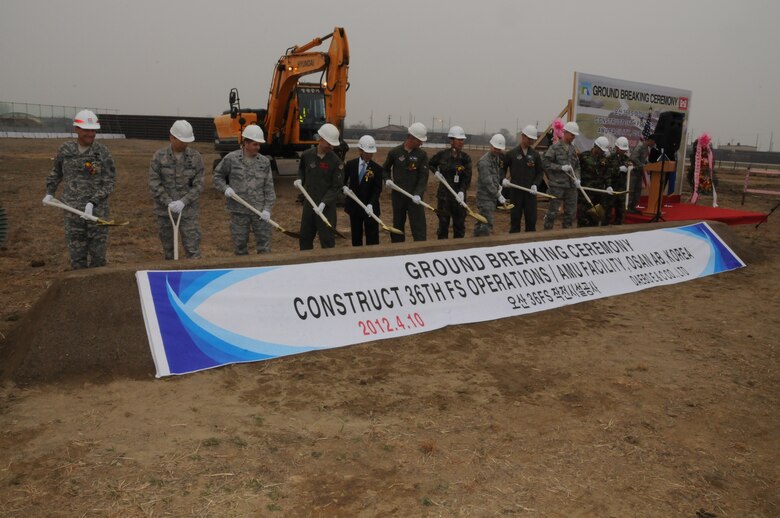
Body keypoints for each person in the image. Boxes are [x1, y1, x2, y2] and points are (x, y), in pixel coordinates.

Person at [43, 109, 116, 269]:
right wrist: (49, 192)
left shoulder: (102, 153)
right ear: (77, 129)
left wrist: (93, 202)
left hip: (97, 215)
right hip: (72, 213)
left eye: (93, 131)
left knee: (98, 261)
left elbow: (109, 182)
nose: (91, 134)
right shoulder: (65, 150)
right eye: (86, 130)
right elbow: (56, 173)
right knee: (77, 260)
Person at [213, 124, 276, 255]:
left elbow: (269, 188)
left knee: (265, 248)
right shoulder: (231, 159)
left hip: (260, 213)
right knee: (240, 247)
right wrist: (225, 189)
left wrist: (267, 209)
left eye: (259, 145)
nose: (258, 148)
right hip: (238, 212)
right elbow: (217, 176)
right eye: (255, 144)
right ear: (245, 143)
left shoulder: (264, 162)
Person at [148, 120, 204, 259]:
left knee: (193, 250)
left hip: (188, 212)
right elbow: (154, 183)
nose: (185, 144)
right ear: (172, 137)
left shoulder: (195, 158)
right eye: (181, 140)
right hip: (165, 212)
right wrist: (168, 202)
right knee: (169, 252)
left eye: (187, 141)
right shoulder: (159, 157)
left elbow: (199, 185)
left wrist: (184, 202)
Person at [296, 123, 344, 250]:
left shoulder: (336, 161)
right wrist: (299, 180)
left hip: (326, 209)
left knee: (327, 240)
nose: (331, 147)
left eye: (332, 144)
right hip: (309, 205)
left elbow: (336, 186)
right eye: (328, 143)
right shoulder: (307, 155)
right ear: (321, 139)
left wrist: (324, 203)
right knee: (305, 238)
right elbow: (301, 170)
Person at [383, 122, 429, 242]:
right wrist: (387, 179)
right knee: (398, 224)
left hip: (415, 197)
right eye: (419, 140)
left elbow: (423, 177)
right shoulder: (395, 152)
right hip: (398, 195)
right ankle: (398, 250)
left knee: (419, 226)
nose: (421, 143)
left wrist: (418, 193)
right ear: (411, 138)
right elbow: (385, 169)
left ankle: (420, 250)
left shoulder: (422, 155)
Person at [429, 126, 472, 239]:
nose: (461, 142)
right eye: (459, 140)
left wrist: (462, 191)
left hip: (459, 198)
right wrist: (436, 172)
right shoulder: (442, 155)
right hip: (444, 198)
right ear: (451, 140)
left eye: (462, 140)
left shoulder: (465, 158)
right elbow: (430, 163)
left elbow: (467, 177)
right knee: (443, 227)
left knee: (459, 227)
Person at [344, 135, 383, 246]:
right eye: (367, 152)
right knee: (356, 237)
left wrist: (371, 204)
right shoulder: (351, 165)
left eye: (371, 153)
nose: (369, 155)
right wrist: (344, 188)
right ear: (360, 150)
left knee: (372, 237)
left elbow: (377, 189)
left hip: (370, 209)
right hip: (354, 207)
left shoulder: (377, 169)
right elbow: (343, 181)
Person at [504, 125, 544, 232]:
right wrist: (503, 180)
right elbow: (501, 169)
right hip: (515, 192)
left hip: (530, 193)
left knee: (531, 221)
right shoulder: (511, 154)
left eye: (532, 139)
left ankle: (530, 244)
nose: (530, 141)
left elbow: (540, 172)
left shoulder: (535, 155)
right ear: (523, 136)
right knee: (515, 220)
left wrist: (536, 184)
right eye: (529, 139)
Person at [542, 121, 581, 230]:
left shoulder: (573, 149)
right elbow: (545, 163)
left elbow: (577, 166)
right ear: (566, 132)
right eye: (572, 135)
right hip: (557, 185)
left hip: (571, 186)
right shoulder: (555, 147)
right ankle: (547, 233)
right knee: (552, 212)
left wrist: (578, 178)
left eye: (574, 135)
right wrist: (560, 168)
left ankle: (566, 234)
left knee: (570, 213)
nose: (573, 137)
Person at [474, 134, 506, 237]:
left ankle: (475, 242)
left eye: (499, 149)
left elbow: (494, 176)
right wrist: (498, 195)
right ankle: (483, 244)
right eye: (496, 148)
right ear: (491, 146)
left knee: (481, 222)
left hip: (491, 197)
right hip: (484, 198)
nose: (497, 151)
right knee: (487, 222)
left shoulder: (496, 158)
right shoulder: (484, 162)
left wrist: (498, 186)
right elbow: (487, 182)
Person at [576, 136, 610, 227]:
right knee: (583, 217)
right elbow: (577, 169)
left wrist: (608, 186)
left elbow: (607, 175)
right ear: (596, 147)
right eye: (601, 150)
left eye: (603, 151)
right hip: (585, 192)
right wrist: (577, 180)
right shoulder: (584, 156)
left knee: (595, 217)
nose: (602, 152)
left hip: (598, 192)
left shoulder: (604, 160)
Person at [603, 136, 631, 225]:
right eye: (621, 149)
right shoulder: (610, 158)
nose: (623, 151)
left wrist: (630, 168)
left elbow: (632, 171)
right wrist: (618, 169)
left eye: (624, 150)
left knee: (620, 212)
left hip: (621, 189)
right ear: (616, 147)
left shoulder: (626, 159)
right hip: (612, 188)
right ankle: (604, 229)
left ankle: (618, 228)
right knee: (607, 211)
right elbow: (606, 173)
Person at [687, 133, 718, 206]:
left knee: (705, 183)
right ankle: (694, 196)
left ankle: (698, 195)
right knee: (693, 181)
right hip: (696, 169)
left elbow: (712, 160)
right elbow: (693, 158)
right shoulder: (696, 149)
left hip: (705, 169)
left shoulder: (709, 151)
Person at [628, 134, 655, 213]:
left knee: (637, 191)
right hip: (634, 172)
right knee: (631, 190)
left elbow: (643, 159)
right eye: (654, 142)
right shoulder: (640, 146)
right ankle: (628, 208)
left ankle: (633, 207)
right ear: (650, 140)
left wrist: (649, 165)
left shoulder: (647, 148)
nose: (654, 144)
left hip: (639, 173)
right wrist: (642, 165)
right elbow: (633, 157)